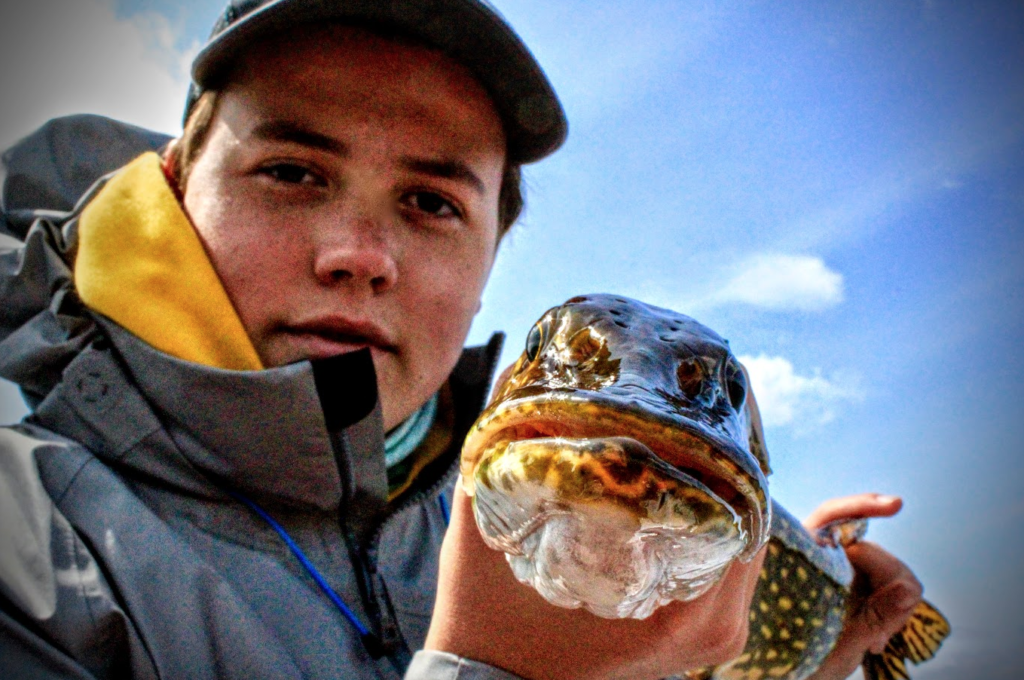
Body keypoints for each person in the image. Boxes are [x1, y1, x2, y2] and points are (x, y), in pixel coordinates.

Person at [0, 1, 924, 678]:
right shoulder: (26, 546)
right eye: (290, 171)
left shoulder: (550, 510)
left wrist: (821, 632)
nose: (358, 257)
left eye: (431, 202)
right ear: (173, 183)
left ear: (493, 258)